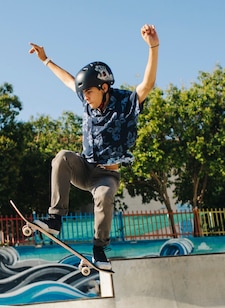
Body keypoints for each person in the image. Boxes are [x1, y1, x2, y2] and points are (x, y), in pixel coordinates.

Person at [28, 24, 159, 270]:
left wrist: (153, 47)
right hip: (84, 167)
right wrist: (46, 60)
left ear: (104, 87)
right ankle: (55, 220)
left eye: (89, 92)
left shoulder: (125, 102)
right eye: (83, 93)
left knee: (105, 196)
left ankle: (99, 249)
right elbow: (68, 80)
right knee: (62, 157)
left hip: (106, 176)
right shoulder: (87, 99)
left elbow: (147, 85)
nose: (85, 97)